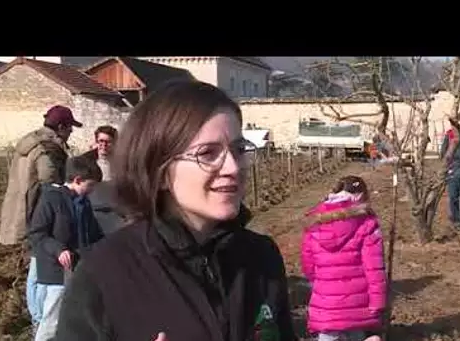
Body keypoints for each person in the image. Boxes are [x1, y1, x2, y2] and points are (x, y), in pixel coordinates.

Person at [54, 80, 296, 341]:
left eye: (238, 150)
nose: (233, 168)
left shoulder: (261, 257)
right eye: (207, 153)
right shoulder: (103, 273)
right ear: (160, 170)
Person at [0, 105, 82, 330]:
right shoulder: (48, 149)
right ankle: (39, 318)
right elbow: (48, 181)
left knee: (36, 262)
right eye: (70, 128)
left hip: (23, 207)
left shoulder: (29, 142)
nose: (71, 133)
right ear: (61, 127)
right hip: (38, 210)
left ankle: (37, 315)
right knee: (38, 263)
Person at [27, 156, 104, 341]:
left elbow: (94, 234)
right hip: (57, 272)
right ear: (77, 180)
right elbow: (38, 233)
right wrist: (59, 250)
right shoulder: (51, 199)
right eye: (90, 185)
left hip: (79, 267)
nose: (92, 191)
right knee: (52, 320)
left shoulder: (83, 203)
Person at [301, 176, 386, 341]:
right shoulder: (366, 223)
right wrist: (378, 303)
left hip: (326, 308)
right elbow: (374, 269)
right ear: (360, 196)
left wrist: (322, 286)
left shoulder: (314, 222)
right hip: (357, 306)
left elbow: (308, 267)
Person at [81, 125, 124, 234]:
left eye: (108, 142)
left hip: (114, 211)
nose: (104, 145)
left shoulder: (121, 163)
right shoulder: (85, 161)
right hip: (91, 210)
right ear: (96, 141)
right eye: (101, 141)